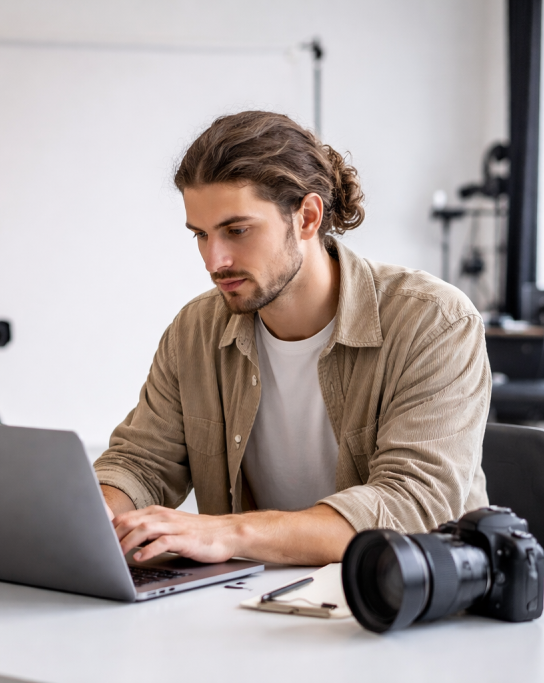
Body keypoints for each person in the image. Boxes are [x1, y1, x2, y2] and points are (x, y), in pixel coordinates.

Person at [93, 111, 489, 567]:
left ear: (307, 217)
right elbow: (141, 462)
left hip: (397, 594)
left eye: (237, 231)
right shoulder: (195, 330)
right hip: (253, 595)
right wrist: (96, 511)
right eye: (201, 235)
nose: (214, 261)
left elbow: (411, 506)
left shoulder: (434, 322)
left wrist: (230, 533)